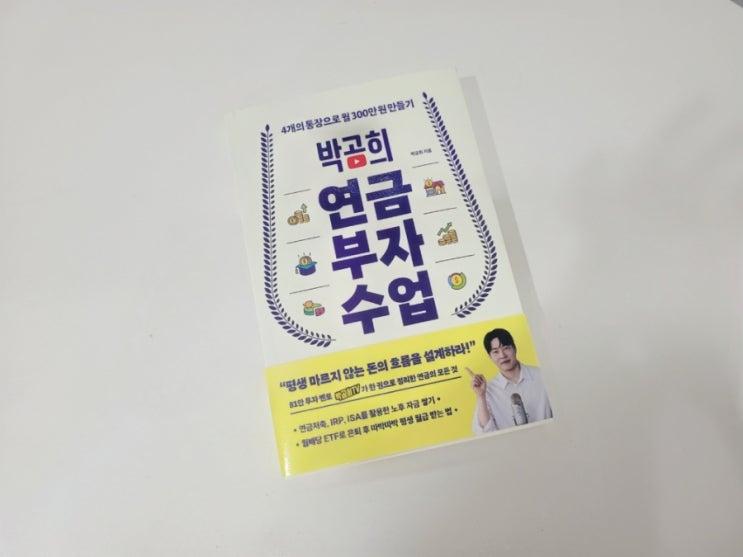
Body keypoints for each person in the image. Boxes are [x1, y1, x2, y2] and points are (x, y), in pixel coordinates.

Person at [468, 328, 553, 434]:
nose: (502, 355)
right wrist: (481, 396)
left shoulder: (542, 376)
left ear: (514, 348)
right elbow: (485, 432)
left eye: (506, 348)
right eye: (495, 352)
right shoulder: (488, 391)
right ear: (490, 356)